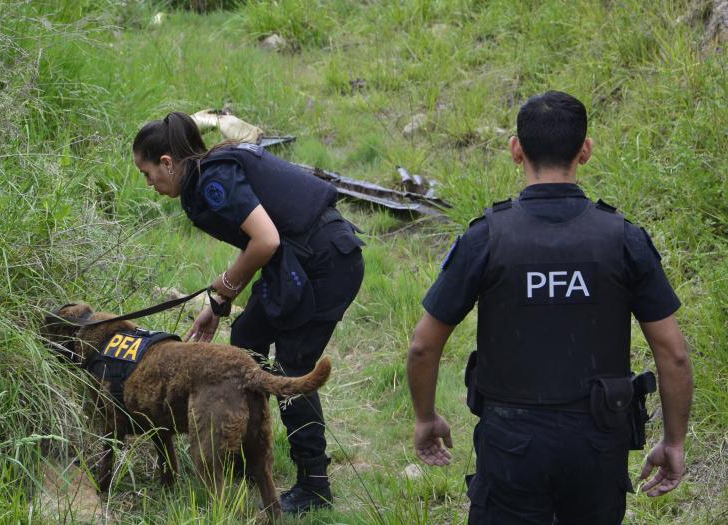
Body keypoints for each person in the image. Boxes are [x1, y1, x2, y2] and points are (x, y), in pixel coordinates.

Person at [406, 91, 693, 524]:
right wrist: (674, 443)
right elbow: (673, 354)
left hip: (510, 447)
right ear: (586, 151)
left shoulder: (486, 238)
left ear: (516, 150)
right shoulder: (623, 239)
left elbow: (423, 347)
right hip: (597, 446)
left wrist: (426, 418)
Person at [132, 112, 365, 513]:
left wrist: (225, 284)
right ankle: (244, 451)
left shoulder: (214, 180)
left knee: (293, 364)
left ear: (167, 162)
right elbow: (258, 237)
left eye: (148, 173)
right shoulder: (208, 175)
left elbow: (265, 240)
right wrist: (217, 306)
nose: (149, 184)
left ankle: (313, 484)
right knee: (246, 339)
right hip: (297, 261)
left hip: (327, 262)